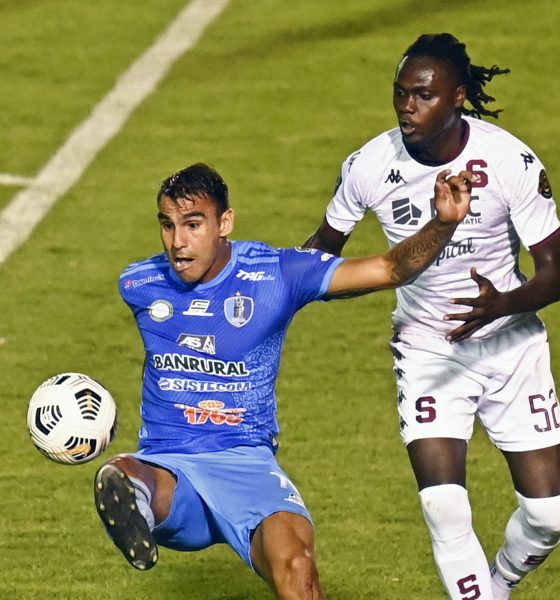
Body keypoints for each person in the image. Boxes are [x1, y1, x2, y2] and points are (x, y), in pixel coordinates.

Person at [94, 161, 474, 599]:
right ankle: (136, 509)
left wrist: (443, 224)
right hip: (170, 467)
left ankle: (137, 501)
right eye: (167, 225)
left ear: (225, 223)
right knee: (123, 473)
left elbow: (389, 269)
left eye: (193, 225)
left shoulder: (276, 273)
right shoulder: (140, 282)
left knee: (297, 566)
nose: (178, 242)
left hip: (246, 464)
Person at [304, 33, 560, 600]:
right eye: (400, 93)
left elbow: (555, 275)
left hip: (511, 346)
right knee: (444, 506)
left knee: (549, 515)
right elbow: (320, 255)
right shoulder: (370, 166)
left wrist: (503, 304)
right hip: (428, 349)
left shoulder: (509, 161)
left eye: (422, 96)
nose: (407, 107)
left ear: (457, 97)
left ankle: (498, 584)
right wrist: (270, 285)